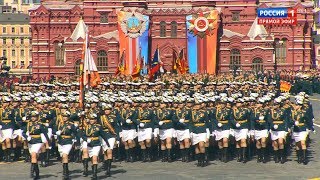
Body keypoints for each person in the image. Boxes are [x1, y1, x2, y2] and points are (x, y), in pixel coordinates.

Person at [82, 113, 111, 180]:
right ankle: (90, 170)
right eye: (90, 119)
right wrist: (86, 139)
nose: (91, 120)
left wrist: (107, 143)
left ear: (95, 120)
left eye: (93, 119)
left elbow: (103, 135)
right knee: (92, 159)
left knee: (95, 158)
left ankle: (95, 175)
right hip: (89, 144)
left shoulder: (99, 127)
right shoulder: (87, 127)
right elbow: (83, 135)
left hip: (96, 144)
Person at [22, 111, 49, 180]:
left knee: (33, 155)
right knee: (33, 157)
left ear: (37, 117)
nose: (33, 118)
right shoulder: (28, 124)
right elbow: (23, 132)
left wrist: (48, 142)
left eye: (34, 117)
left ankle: (32, 172)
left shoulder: (40, 124)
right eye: (32, 117)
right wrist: (26, 136)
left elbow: (45, 133)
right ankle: (37, 173)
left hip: (38, 141)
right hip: (30, 141)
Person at [53, 111, 78, 180]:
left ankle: (66, 173)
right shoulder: (59, 124)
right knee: (63, 156)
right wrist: (56, 132)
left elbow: (75, 132)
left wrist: (75, 140)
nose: (64, 118)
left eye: (66, 117)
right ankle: (65, 170)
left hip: (68, 141)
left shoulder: (71, 124)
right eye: (63, 116)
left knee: (65, 155)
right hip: (60, 142)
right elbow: (53, 130)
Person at [291, 96, 313, 164]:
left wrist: (310, 127)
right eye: (296, 105)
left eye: (298, 105)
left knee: (303, 143)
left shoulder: (304, 112)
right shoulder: (293, 113)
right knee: (298, 144)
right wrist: (293, 123)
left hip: (302, 129)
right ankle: (299, 157)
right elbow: (289, 120)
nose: (296, 106)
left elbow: (308, 120)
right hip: (296, 129)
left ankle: (304, 158)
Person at [99, 103, 119, 176]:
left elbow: (116, 127)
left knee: (109, 150)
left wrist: (118, 137)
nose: (107, 111)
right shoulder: (101, 117)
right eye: (105, 110)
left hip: (111, 135)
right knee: (105, 151)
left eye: (108, 109)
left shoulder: (113, 117)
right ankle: (106, 163)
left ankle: (108, 170)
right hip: (103, 135)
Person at [270, 98, 289, 164]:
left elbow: (286, 120)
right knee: (275, 143)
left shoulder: (283, 110)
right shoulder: (271, 111)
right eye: (274, 104)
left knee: (281, 142)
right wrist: (271, 126)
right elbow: (269, 120)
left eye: (276, 104)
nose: (274, 106)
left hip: (281, 128)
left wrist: (286, 129)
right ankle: (276, 156)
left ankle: (282, 157)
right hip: (274, 128)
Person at [190, 98, 209, 167]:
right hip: (194, 130)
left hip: (202, 130)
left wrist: (208, 133)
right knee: (196, 146)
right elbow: (190, 122)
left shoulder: (204, 113)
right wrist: (190, 131)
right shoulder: (191, 113)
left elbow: (207, 123)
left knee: (201, 145)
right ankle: (199, 160)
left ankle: (203, 160)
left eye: (198, 105)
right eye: (196, 105)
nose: (197, 106)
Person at [251, 98, 270, 163]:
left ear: (262, 104)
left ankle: (264, 156)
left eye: (258, 103)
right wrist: (252, 130)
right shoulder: (254, 111)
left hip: (264, 128)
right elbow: (252, 120)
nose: (257, 105)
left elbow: (268, 120)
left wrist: (268, 129)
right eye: (257, 103)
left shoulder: (266, 111)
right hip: (257, 128)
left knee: (263, 141)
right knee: (258, 143)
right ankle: (259, 156)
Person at [232, 98, 251, 163]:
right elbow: (231, 119)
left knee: (243, 140)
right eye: (237, 103)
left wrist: (249, 128)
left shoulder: (246, 110)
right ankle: (239, 156)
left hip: (244, 126)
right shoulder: (233, 110)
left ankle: (244, 156)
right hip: (236, 127)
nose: (237, 104)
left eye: (239, 103)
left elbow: (249, 119)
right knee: (238, 141)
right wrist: (235, 124)